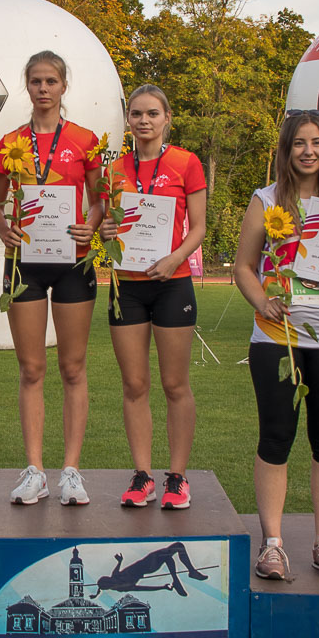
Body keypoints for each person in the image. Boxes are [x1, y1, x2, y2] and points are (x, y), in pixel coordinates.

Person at [234, 112, 319, 580]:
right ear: (286, 150)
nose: (308, 151)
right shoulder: (266, 200)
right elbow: (243, 267)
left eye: (316, 143)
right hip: (278, 334)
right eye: (299, 144)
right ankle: (272, 544)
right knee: (276, 437)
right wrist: (262, 302)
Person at [0, 51, 106, 507]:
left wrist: (91, 224)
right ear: (27, 85)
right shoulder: (10, 143)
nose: (43, 89)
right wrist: (4, 230)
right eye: (36, 81)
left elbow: (99, 200)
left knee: (72, 367)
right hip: (25, 264)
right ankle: (35, 470)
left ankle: (71, 471)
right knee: (32, 368)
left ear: (63, 86)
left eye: (51, 81)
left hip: (73, 259)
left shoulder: (85, 140)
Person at [100, 85, 207, 510]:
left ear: (167, 119)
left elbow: (198, 226)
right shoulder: (115, 169)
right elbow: (109, 223)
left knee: (174, 384)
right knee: (134, 384)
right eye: (136, 114)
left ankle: (177, 478)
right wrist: (107, 231)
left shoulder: (186, 162)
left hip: (171, 282)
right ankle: (143, 475)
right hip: (126, 286)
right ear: (128, 119)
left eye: (152, 114)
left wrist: (175, 257)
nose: (144, 121)